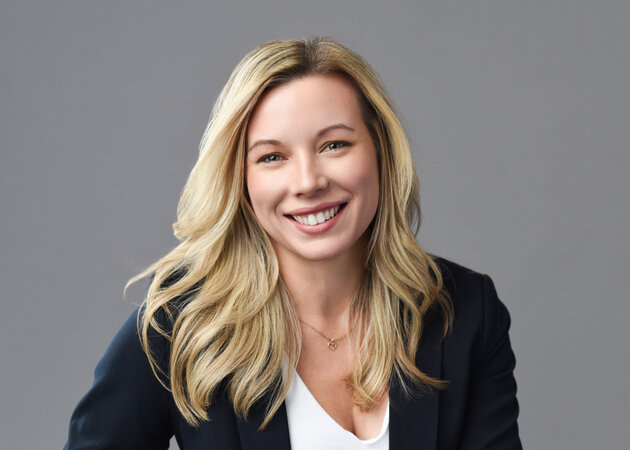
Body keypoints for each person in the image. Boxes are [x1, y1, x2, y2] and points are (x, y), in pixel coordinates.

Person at [65, 38, 521, 449]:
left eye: (334, 145)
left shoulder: (467, 311)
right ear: (240, 179)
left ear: (381, 151)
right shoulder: (179, 326)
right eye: (272, 157)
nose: (308, 182)